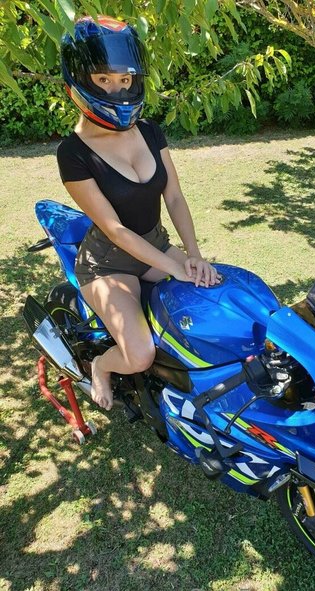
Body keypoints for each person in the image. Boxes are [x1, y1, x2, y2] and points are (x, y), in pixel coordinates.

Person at [57, 15, 218, 412]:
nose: (118, 89)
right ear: (80, 80)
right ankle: (100, 366)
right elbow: (114, 229)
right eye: (103, 79)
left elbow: (174, 197)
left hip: (155, 245)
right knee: (140, 354)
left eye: (125, 78)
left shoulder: (149, 131)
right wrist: (175, 267)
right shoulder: (73, 153)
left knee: (212, 299)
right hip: (108, 264)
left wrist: (193, 255)